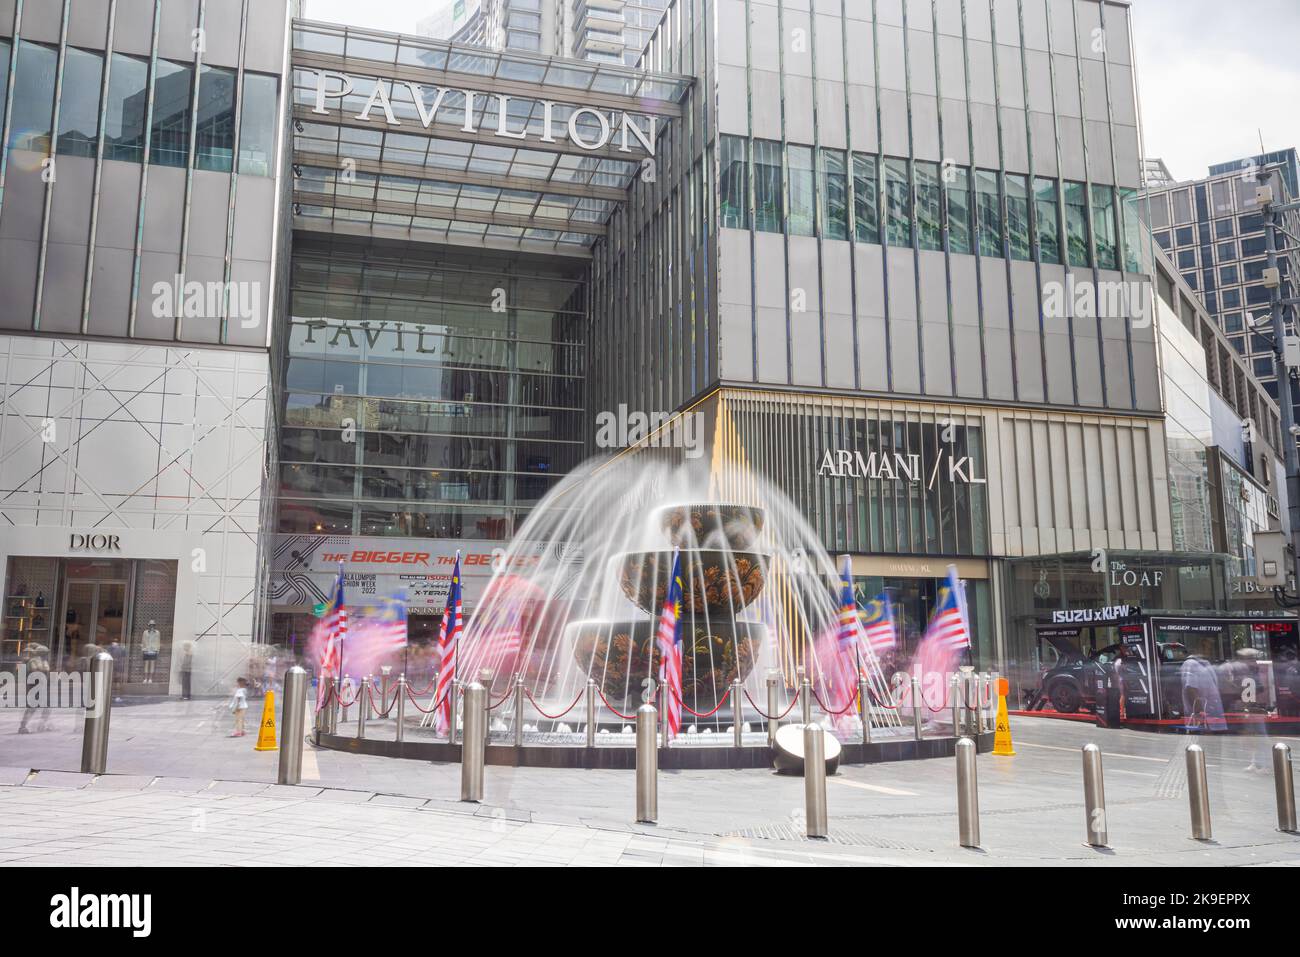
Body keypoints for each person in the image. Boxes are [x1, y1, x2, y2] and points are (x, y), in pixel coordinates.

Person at [17, 644, 52, 734]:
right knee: (31, 708)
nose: (47, 655)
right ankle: (22, 726)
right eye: (45, 653)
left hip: (42, 686)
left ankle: (42, 725)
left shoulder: (44, 661)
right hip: (34, 686)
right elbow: (34, 671)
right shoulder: (33, 661)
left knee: (47, 707)